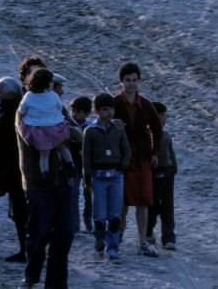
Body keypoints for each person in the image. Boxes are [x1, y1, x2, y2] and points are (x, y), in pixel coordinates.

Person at [17, 92, 78, 288]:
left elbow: (77, 133)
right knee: (39, 233)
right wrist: (54, 136)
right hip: (39, 183)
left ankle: (56, 284)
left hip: (63, 181)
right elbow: (29, 139)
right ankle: (31, 276)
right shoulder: (24, 112)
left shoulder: (57, 107)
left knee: (65, 233)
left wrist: (66, 132)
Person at [113, 62, 163, 257]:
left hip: (142, 159)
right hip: (123, 159)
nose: (131, 84)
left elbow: (157, 129)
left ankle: (142, 241)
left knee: (143, 201)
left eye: (134, 80)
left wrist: (155, 153)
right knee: (123, 202)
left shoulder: (146, 104)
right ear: (121, 82)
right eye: (128, 80)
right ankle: (118, 237)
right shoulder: (115, 103)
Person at [0, 76, 28, 263]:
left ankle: (26, 250)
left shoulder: (9, 115)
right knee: (22, 210)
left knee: (20, 211)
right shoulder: (20, 112)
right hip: (20, 168)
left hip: (14, 170)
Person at [84, 93, 131, 261]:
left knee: (115, 213)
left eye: (111, 109)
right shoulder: (90, 131)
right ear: (97, 111)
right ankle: (99, 240)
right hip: (98, 177)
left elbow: (126, 149)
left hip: (116, 175)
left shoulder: (118, 129)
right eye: (104, 110)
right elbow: (86, 156)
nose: (108, 113)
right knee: (100, 212)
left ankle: (113, 247)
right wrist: (87, 176)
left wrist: (123, 165)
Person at [17, 68, 76, 178]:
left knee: (44, 155)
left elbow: (22, 110)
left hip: (37, 130)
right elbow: (59, 107)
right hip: (54, 128)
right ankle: (70, 164)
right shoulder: (52, 95)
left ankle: (45, 174)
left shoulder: (28, 96)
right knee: (62, 147)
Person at [146, 102, 177, 251]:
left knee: (168, 206)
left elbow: (171, 153)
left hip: (168, 173)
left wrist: (173, 168)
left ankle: (169, 237)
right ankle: (148, 232)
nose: (165, 118)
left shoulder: (166, 134)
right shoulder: (148, 135)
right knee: (152, 206)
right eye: (162, 115)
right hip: (154, 173)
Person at [69, 96, 95, 233]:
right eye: (73, 111)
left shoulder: (90, 127)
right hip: (74, 166)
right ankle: (75, 225)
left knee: (89, 197)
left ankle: (89, 224)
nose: (74, 114)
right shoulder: (69, 126)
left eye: (78, 112)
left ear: (86, 113)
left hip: (88, 167)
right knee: (73, 196)